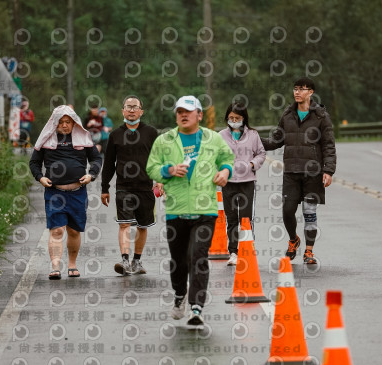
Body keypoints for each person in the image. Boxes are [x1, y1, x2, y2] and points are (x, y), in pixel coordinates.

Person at [146, 95, 234, 327]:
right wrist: (169, 169)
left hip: (205, 210)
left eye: (188, 111)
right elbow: (151, 167)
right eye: (179, 112)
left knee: (198, 257)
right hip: (176, 210)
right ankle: (179, 295)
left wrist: (225, 172)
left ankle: (196, 307)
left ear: (199, 115)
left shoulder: (213, 139)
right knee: (179, 261)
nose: (183, 115)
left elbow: (227, 159)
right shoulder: (165, 140)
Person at [262, 77, 336, 264]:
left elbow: (328, 145)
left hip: (313, 173)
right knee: (287, 211)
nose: (297, 92)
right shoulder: (287, 115)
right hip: (292, 172)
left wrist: (328, 170)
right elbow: (276, 140)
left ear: (311, 92)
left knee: (309, 212)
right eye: (295, 89)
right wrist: (254, 139)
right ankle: (294, 239)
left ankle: (309, 252)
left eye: (302, 89)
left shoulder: (321, 117)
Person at [29, 105, 103, 279]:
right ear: (54, 123)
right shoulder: (46, 140)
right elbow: (34, 163)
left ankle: (72, 264)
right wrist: (40, 177)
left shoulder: (83, 138)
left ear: (74, 122)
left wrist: (91, 175)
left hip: (78, 192)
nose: (64, 125)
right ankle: (55, 266)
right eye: (61, 122)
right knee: (56, 231)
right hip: (55, 193)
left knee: (74, 231)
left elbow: (96, 159)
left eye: (67, 122)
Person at [101, 96, 161, 276]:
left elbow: (157, 159)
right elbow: (109, 162)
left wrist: (159, 180)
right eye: (129, 107)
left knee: (143, 226)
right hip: (123, 187)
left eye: (136, 107)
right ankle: (124, 260)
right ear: (123, 111)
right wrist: (105, 188)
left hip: (145, 187)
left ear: (141, 111)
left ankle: (137, 261)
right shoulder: (115, 135)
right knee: (124, 224)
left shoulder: (151, 132)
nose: (132, 110)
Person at [218, 102, 266, 266]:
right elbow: (215, 156)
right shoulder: (221, 136)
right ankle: (233, 252)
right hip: (228, 182)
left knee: (245, 219)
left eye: (237, 118)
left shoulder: (253, 135)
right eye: (231, 118)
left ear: (243, 119)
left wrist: (252, 164)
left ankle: (246, 250)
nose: (233, 120)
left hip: (247, 182)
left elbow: (261, 153)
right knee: (231, 219)